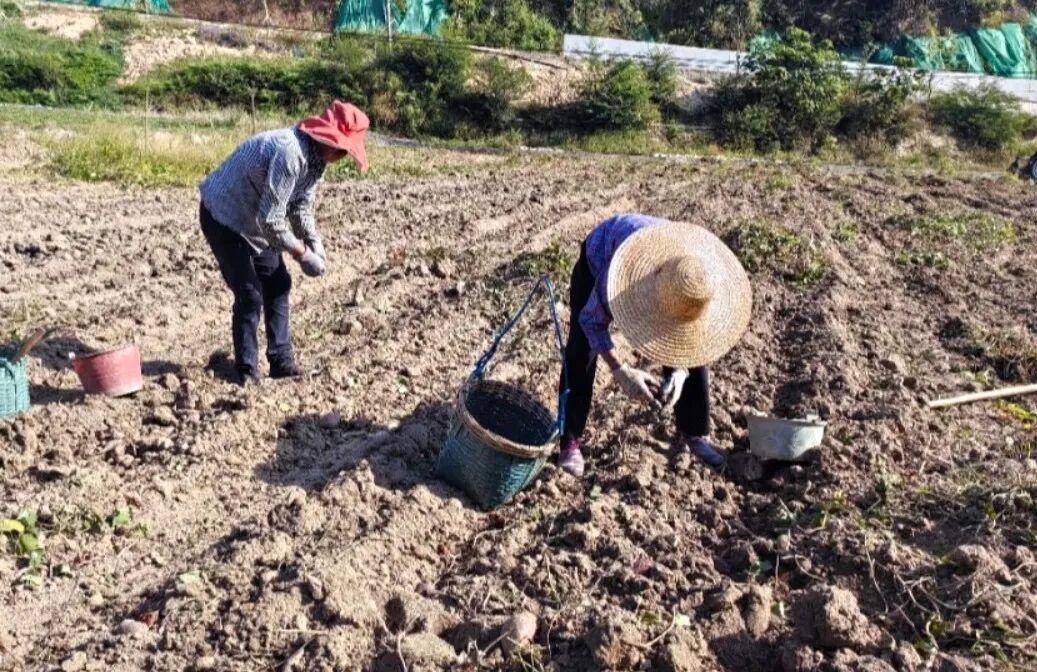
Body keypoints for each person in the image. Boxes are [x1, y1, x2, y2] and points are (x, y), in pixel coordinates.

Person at [556, 213, 752, 476]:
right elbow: (591, 321)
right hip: (601, 257)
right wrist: (621, 370)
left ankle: (694, 432)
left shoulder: (699, 275)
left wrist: (681, 370)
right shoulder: (623, 275)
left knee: (692, 341)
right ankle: (569, 440)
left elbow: (691, 337)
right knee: (582, 348)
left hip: (669, 270)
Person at [198, 100, 369, 386]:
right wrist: (301, 253)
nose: (341, 156)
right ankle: (246, 371)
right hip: (224, 215)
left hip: (254, 218)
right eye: (341, 149)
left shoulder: (317, 161)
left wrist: (313, 239)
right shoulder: (291, 153)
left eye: (346, 152)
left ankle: (281, 361)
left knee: (278, 283)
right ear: (326, 139)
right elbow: (271, 219)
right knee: (250, 294)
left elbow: (300, 205)